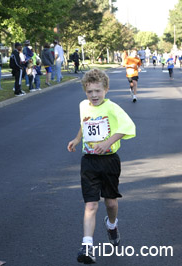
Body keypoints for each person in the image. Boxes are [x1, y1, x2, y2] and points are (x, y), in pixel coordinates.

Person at [67, 69, 136, 264]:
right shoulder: (83, 105)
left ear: (106, 89)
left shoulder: (112, 108)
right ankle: (87, 246)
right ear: (85, 92)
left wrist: (107, 143)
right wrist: (77, 138)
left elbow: (128, 127)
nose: (94, 96)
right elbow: (85, 123)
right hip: (89, 161)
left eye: (98, 91)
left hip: (109, 161)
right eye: (90, 92)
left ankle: (112, 224)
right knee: (90, 204)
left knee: (111, 203)